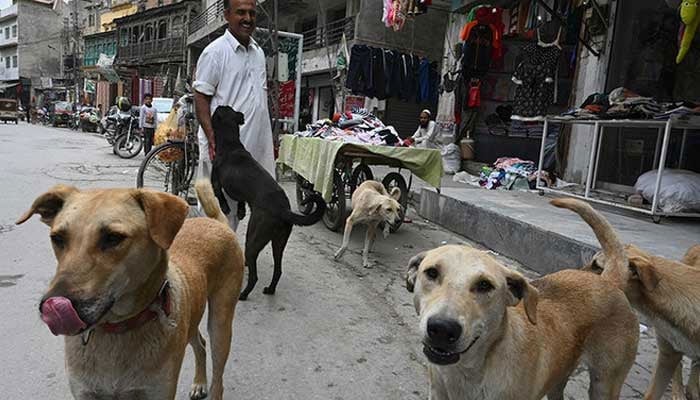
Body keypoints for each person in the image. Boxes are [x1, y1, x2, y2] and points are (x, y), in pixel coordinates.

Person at [193, 0, 274, 231]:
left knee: (240, 205)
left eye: (251, 13)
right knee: (216, 206)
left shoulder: (258, 52)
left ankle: (227, 258)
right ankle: (210, 261)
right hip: (223, 148)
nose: (247, 18)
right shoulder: (215, 52)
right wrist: (212, 139)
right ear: (227, 15)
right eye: (240, 12)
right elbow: (201, 98)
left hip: (251, 146)